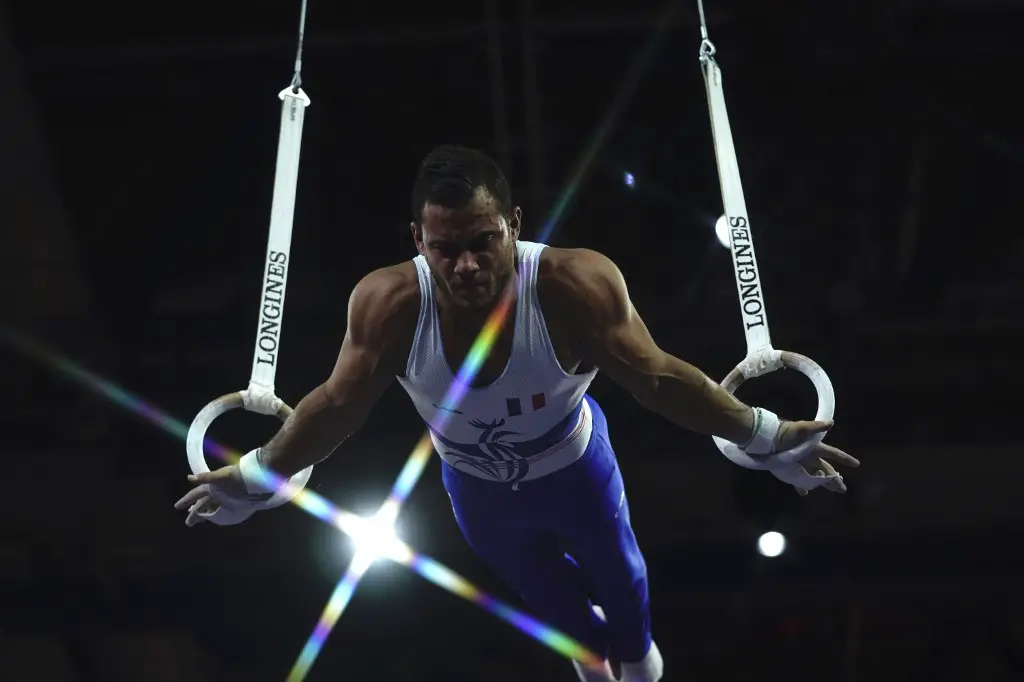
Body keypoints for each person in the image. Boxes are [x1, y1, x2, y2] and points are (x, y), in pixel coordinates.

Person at [174, 145, 858, 681]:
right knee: (557, 612)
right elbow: (336, 407)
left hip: (576, 472)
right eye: (445, 248)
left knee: (623, 583)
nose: (466, 264)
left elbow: (657, 379)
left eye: (484, 241)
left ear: (516, 225)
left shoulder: (571, 286)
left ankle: (639, 663)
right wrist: (260, 471)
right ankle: (594, 661)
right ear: (417, 239)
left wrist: (763, 433)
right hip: (476, 492)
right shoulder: (389, 304)